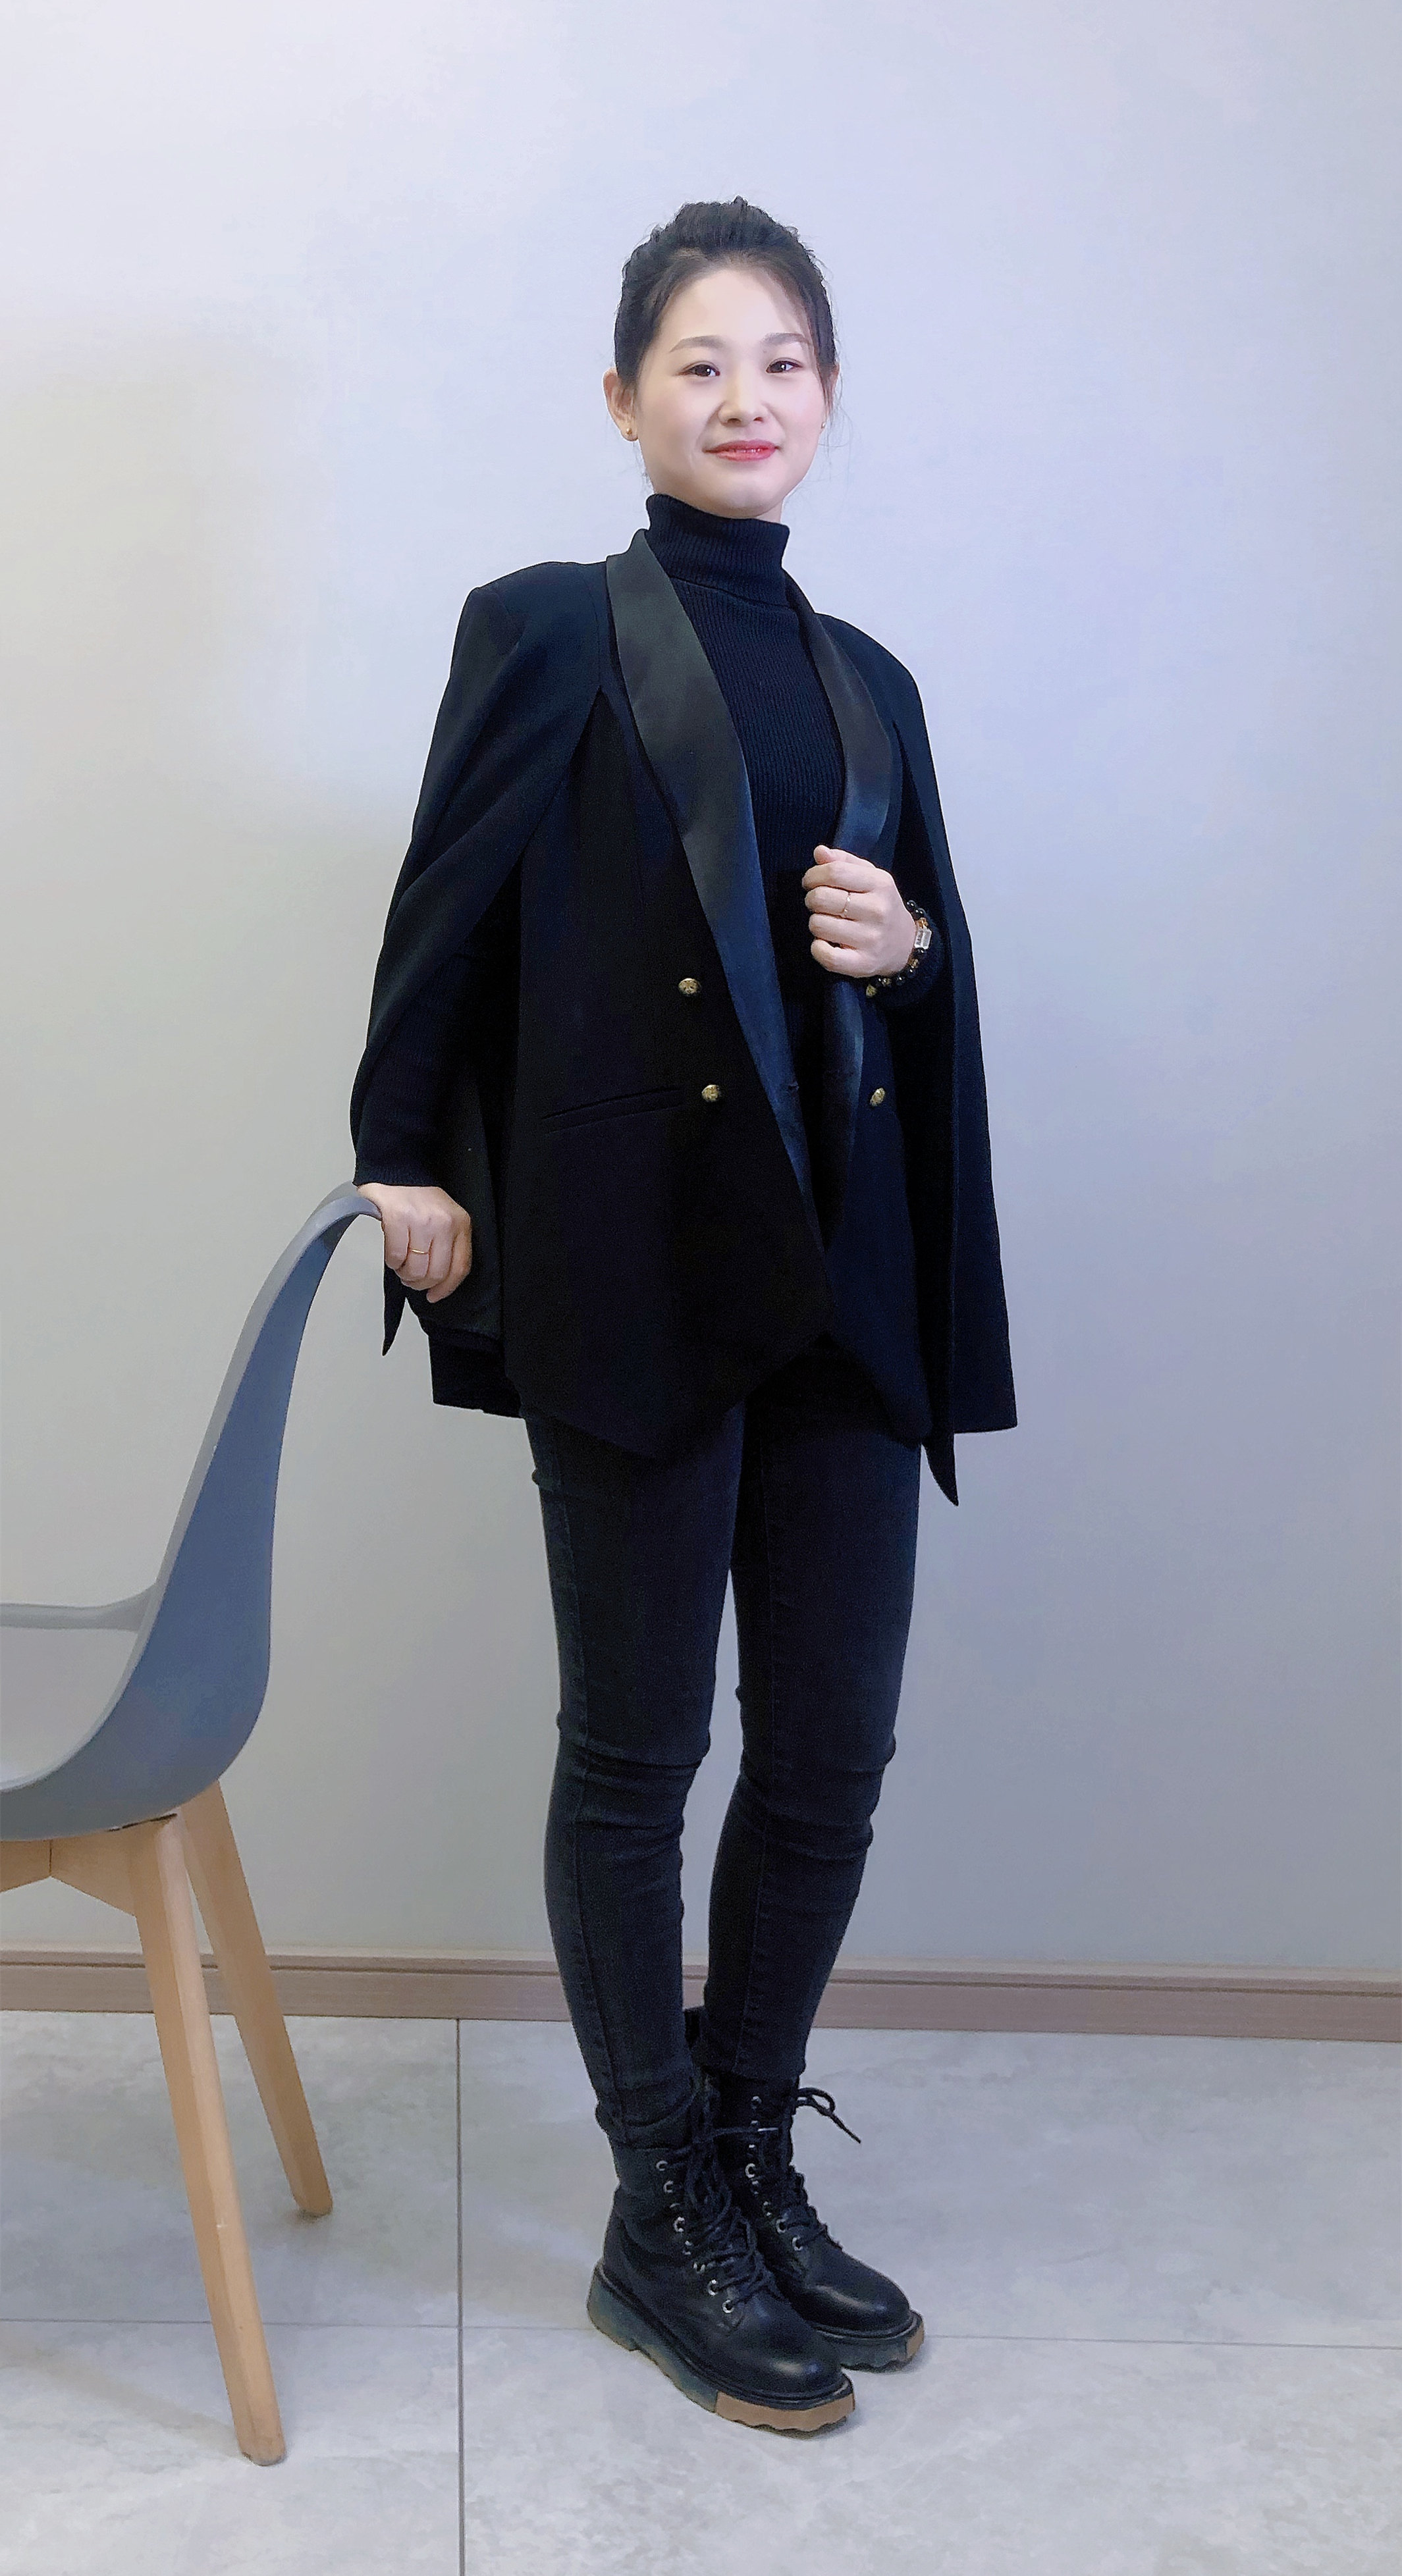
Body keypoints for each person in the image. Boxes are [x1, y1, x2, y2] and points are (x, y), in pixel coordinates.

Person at [350, 197, 1015, 2436]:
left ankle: (745, 2148)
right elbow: (444, 906)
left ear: (828, 396)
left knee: (828, 1748)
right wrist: (401, 1147)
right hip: (633, 1253)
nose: (745, 399)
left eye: (783, 362)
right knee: (637, 1751)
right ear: (624, 397)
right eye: (700, 362)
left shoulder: (869, 680)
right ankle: (657, 2207)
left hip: (842, 1274)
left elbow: (914, 984)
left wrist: (904, 951)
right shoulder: (548, 626)